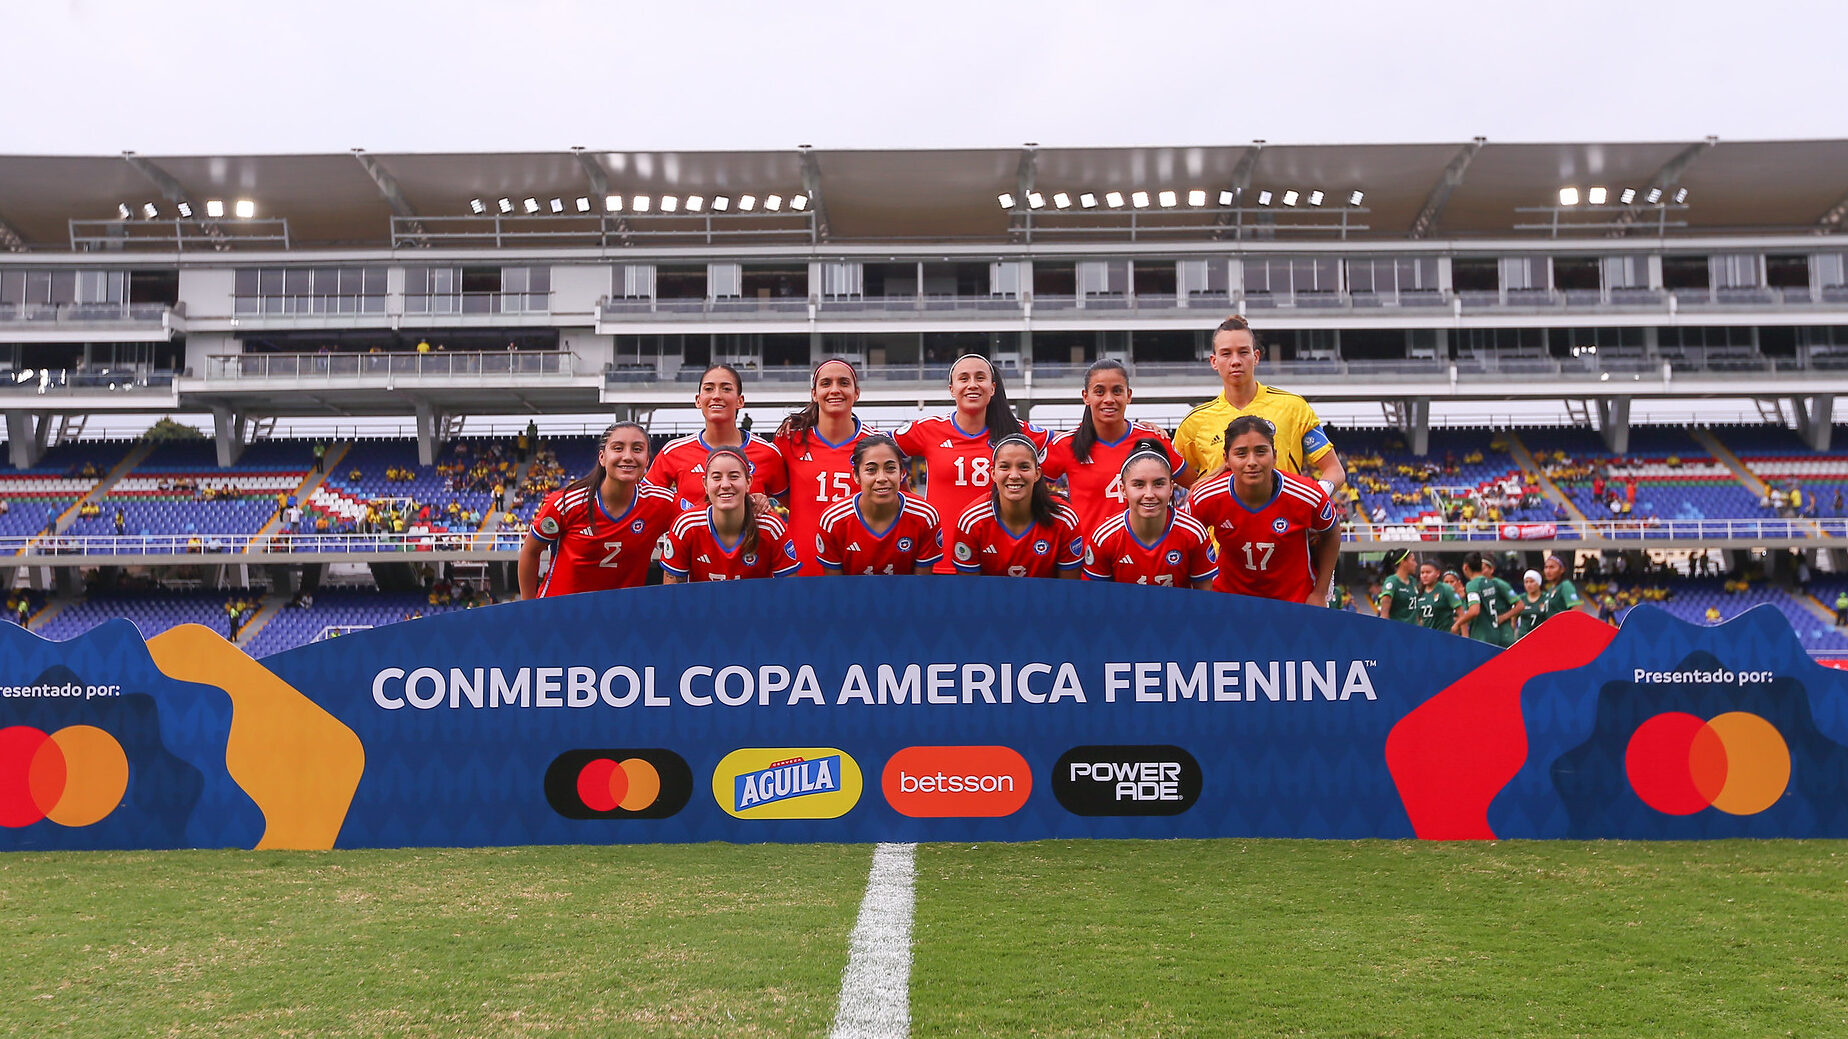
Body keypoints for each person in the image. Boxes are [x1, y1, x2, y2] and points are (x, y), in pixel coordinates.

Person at [894, 354, 1050, 573]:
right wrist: (906, 495)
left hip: (1004, 560)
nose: (972, 385)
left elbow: (1069, 449)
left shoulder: (1017, 432)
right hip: (941, 559)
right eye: (964, 378)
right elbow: (875, 450)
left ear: (993, 387)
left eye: (980, 378)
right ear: (951, 389)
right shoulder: (928, 430)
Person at [1174, 315, 1344, 494]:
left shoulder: (1294, 408)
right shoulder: (1194, 423)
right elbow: (1167, 473)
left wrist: (1313, 501)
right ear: (1214, 361)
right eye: (1226, 353)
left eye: (1243, 352)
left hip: (1283, 521)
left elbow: (1334, 470)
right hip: (1221, 523)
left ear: (1256, 357)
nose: (1235, 361)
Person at [1184, 415, 1339, 605]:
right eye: (1241, 453)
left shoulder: (1307, 495)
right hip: (1230, 601)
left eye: (1260, 451)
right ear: (1226, 459)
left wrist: (1320, 592)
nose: (1252, 461)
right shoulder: (1205, 497)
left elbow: (1331, 532)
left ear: (1274, 456)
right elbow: (1184, 541)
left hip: (1294, 602)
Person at [519, 422, 678, 598]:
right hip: (560, 616)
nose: (627, 456)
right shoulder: (565, 503)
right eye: (618, 448)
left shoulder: (662, 502)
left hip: (619, 618)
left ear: (647, 459)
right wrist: (528, 610)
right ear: (602, 457)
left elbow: (701, 518)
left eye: (637, 449)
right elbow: (530, 552)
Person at [1040, 359, 1191, 536]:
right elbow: (1027, 488)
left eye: (1117, 391)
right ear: (1085, 396)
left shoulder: (1153, 440)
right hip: (1089, 559)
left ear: (1129, 395)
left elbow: (1197, 487)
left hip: (1146, 557)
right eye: (1099, 391)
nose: (1109, 399)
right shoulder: (1066, 444)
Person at [775, 359, 881, 575]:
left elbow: (900, 504)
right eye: (826, 383)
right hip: (800, 567)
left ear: (856, 392)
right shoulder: (789, 439)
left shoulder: (876, 444)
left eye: (843, 383)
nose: (835, 390)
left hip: (859, 568)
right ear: (814, 393)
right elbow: (777, 492)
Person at [647, 364, 788, 510]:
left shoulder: (768, 453)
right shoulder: (673, 452)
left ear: (740, 401)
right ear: (698, 400)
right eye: (709, 389)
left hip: (749, 534)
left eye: (726, 389)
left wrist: (765, 503)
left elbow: (798, 506)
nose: (716, 396)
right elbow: (643, 504)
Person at [1082, 439, 1216, 589]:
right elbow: (1098, 603)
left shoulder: (1193, 533)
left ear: (1171, 488)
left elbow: (1205, 601)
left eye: (1159, 484)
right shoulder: (1105, 538)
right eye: (1139, 484)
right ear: (1123, 489)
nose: (1149, 494)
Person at [949, 434, 1082, 579]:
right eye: (1005, 467)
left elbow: (1069, 592)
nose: (1014, 475)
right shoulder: (972, 522)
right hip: (988, 601)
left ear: (1037, 474)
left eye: (1024, 467)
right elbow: (970, 592)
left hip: (1048, 601)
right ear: (993, 473)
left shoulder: (1064, 519)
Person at [660, 447, 800, 582]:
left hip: (757, 607)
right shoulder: (686, 526)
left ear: (748, 482)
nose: (725, 484)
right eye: (716, 477)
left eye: (734, 476)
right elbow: (672, 598)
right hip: (702, 607)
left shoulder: (771, 527)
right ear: (705, 484)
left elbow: (790, 594)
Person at [816, 436, 942, 576]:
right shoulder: (833, 520)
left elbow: (921, 587)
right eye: (871, 469)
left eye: (890, 468)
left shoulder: (925, 516)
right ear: (856, 476)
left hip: (907, 598)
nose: (882, 478)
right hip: (850, 598)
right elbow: (835, 589)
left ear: (901, 473)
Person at [1457, 553, 1509, 645]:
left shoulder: (1473, 584)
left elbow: (1474, 611)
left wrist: (1457, 624)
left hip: (1481, 636)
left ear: (1465, 567)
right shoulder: (1490, 582)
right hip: (1494, 632)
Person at [1412, 560, 1464, 633]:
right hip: (1428, 638)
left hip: (1445, 637)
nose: (1424, 575)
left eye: (1428, 572)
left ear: (1437, 573)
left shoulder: (1446, 589)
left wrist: (1466, 639)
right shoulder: (1419, 592)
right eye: (1422, 573)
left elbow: (1462, 615)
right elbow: (1419, 619)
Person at [1376, 548, 1418, 622]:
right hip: (1398, 630)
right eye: (1413, 560)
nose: (1416, 564)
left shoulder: (1413, 581)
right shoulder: (1392, 582)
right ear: (1403, 562)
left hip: (1414, 630)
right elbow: (1384, 615)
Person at [1541, 553, 1583, 619]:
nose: (1548, 571)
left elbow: (1576, 608)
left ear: (1562, 569)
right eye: (1546, 567)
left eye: (1552, 567)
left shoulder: (1566, 585)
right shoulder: (1550, 589)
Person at [1514, 569, 1547, 640]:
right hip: (1523, 637)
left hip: (1541, 638)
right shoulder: (1520, 599)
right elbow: (1513, 618)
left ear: (1539, 582)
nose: (1529, 585)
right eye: (1526, 582)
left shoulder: (1546, 598)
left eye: (1532, 581)